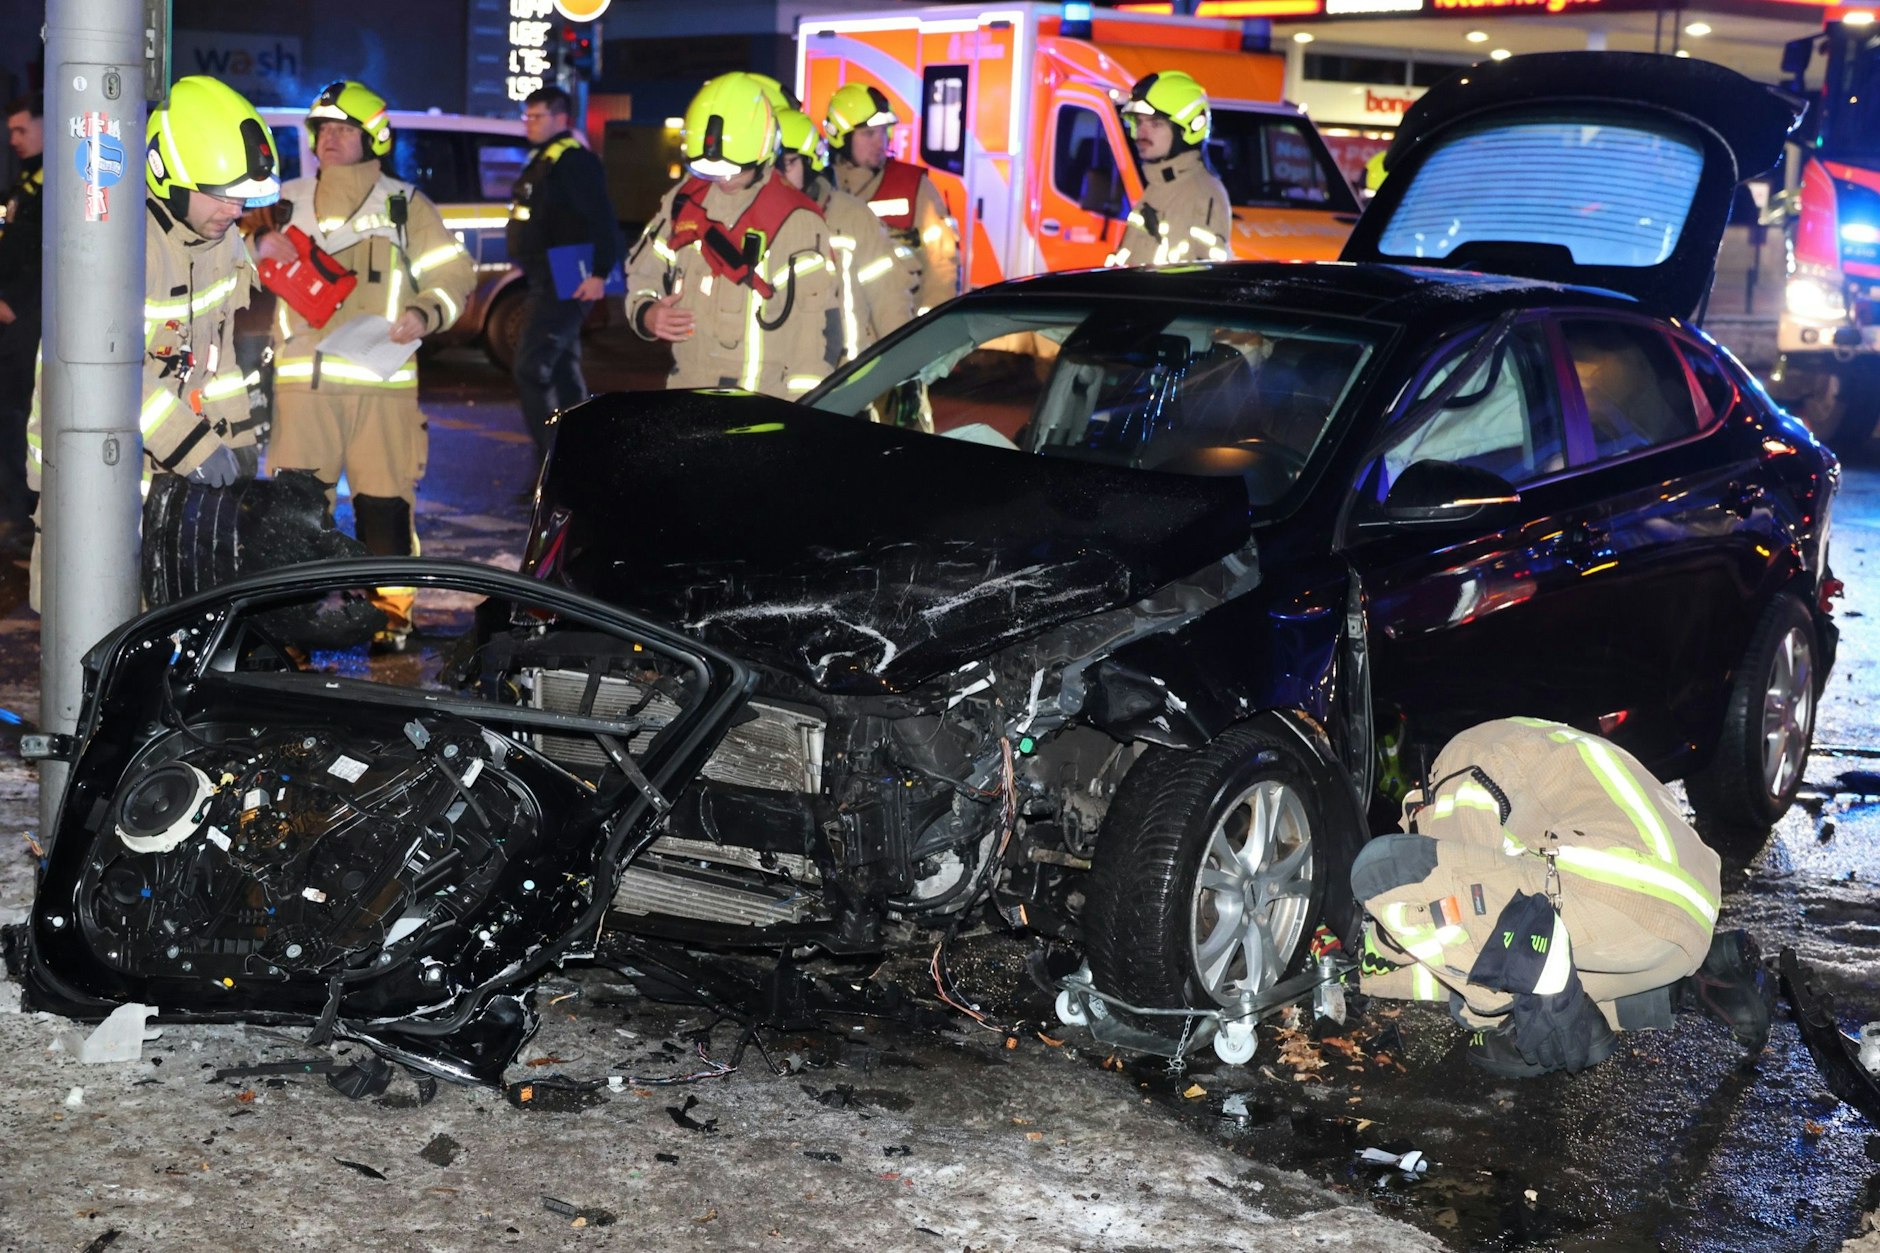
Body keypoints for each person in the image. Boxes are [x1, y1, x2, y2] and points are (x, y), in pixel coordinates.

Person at [1351, 717, 1771, 1077]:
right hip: (1677, 922)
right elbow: (1458, 949)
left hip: (1610, 886)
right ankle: (1691, 983)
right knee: (1501, 967)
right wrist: (1373, 979)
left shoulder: (1452, 769)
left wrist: (1478, 1011)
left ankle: (1545, 984)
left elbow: (1450, 890)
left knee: (1383, 871)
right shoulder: (1540, 747)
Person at [27, 76, 278, 598]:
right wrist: (195, 447)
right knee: (95, 633)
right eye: (221, 197)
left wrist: (239, 442)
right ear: (166, 172)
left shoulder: (222, 244)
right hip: (92, 479)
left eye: (243, 200)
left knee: (157, 637)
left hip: (168, 491)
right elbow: (104, 377)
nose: (235, 213)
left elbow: (219, 359)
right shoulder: (116, 243)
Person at [251, 80, 474, 650]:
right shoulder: (282, 202)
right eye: (322, 129)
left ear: (372, 137)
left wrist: (426, 312)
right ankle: (291, 625)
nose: (329, 138)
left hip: (383, 384)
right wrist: (255, 254)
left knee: (386, 509)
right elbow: (223, 267)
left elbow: (454, 274)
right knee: (295, 518)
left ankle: (392, 620)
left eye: (343, 129)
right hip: (303, 389)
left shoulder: (404, 205)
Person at [624, 72, 841, 398]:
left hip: (763, 405)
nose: (721, 179)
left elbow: (816, 338)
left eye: (732, 168)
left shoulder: (798, 221)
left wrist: (800, 418)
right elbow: (643, 273)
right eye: (709, 170)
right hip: (687, 397)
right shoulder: (683, 202)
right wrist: (647, 312)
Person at [507, 85, 617, 456]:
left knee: (531, 367)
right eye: (527, 116)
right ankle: (579, 454)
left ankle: (553, 460)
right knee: (562, 370)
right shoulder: (544, 159)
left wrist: (600, 273)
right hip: (546, 274)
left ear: (561, 118)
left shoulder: (575, 162)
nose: (529, 124)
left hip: (568, 273)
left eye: (537, 117)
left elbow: (602, 217)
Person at [771, 99, 911, 362]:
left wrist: (907, 369)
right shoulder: (754, 224)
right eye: (770, 166)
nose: (777, 176)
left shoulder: (850, 215)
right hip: (779, 382)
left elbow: (889, 299)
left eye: (788, 163)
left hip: (850, 380)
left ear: (810, 162)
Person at [825, 83, 958, 316]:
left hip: (897, 329)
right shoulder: (824, 189)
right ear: (841, 137)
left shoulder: (913, 186)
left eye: (884, 131)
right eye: (869, 133)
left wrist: (927, 324)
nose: (881, 142)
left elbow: (942, 260)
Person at [1106, 71, 1231, 268]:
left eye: (1156, 124)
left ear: (1187, 129)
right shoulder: (1160, 184)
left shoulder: (1199, 193)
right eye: (1139, 122)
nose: (1141, 132)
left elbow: (1193, 284)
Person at [0, 94, 43, 554]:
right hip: (13, 319)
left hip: (26, 321)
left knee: (17, 421)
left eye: (20, 130)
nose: (13, 139)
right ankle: (18, 516)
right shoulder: (23, 181)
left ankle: (25, 519)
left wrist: (14, 304)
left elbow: (42, 255)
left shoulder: (52, 183)